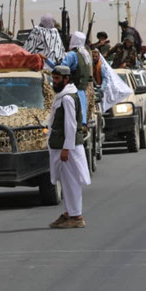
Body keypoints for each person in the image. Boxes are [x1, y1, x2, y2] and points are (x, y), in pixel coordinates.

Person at [47, 65, 91, 229]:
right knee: (65, 181)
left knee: (71, 182)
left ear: (66, 79)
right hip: (62, 146)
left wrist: (66, 149)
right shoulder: (63, 95)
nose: (54, 82)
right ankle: (68, 213)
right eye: (54, 78)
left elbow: (71, 126)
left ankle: (76, 216)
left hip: (68, 148)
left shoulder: (67, 98)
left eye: (58, 79)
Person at [43, 31, 91, 127]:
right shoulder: (85, 54)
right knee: (81, 120)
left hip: (72, 91)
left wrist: (46, 60)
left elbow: (60, 69)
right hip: (82, 92)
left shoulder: (72, 55)